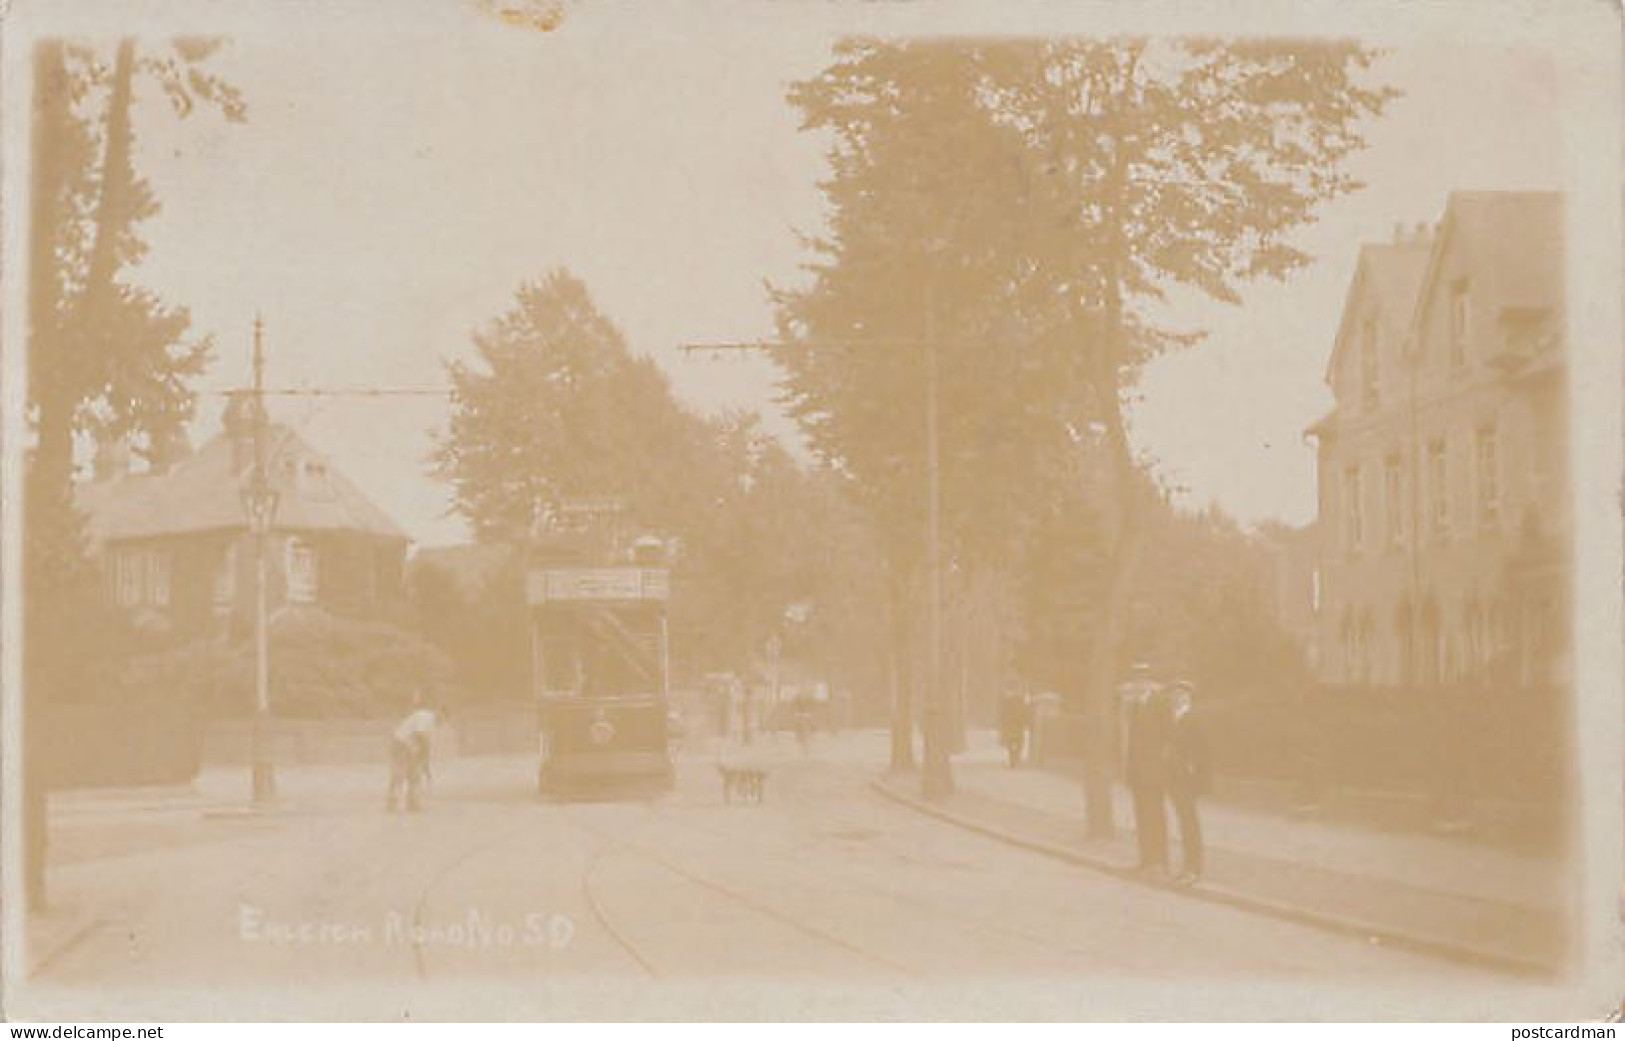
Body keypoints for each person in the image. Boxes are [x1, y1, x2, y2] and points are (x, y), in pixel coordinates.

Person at [1124, 684, 1173, 875]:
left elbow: (1168, 739)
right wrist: (1129, 772)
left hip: (1154, 773)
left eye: (1144, 679)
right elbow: (1132, 742)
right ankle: (1145, 859)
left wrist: (1161, 768)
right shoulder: (1136, 707)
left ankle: (1160, 861)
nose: (1140, 684)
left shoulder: (1160, 705)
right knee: (1142, 816)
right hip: (1137, 772)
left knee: (1156, 816)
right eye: (1137, 679)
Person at [1165, 680, 1210, 885]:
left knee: (1190, 823)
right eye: (1174, 694)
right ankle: (1186, 866)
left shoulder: (1195, 718)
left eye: (1181, 694)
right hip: (1172, 777)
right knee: (1183, 822)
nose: (1177, 698)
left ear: (1189, 697)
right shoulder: (1170, 718)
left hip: (1187, 778)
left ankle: (1194, 868)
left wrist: (1198, 778)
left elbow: (1204, 750)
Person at [387, 700, 438, 812]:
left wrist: (424, 759)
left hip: (410, 745)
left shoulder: (431, 721)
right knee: (400, 774)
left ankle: (413, 803)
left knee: (414, 775)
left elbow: (423, 740)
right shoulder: (426, 716)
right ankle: (392, 803)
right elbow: (420, 734)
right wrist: (424, 753)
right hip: (401, 743)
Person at [998, 690, 1029, 768]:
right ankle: (1015, 757)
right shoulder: (1020, 701)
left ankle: (1013, 758)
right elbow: (1025, 713)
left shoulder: (1006, 702)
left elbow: (1002, 714)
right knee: (1018, 742)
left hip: (1011, 725)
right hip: (1017, 725)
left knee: (1012, 742)